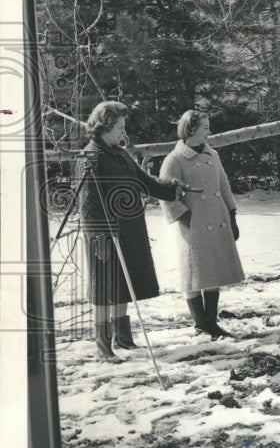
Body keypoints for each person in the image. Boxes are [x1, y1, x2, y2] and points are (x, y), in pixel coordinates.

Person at [79, 101, 190, 362]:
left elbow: (145, 182)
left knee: (122, 284)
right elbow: (88, 203)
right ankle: (103, 346)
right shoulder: (91, 155)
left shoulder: (119, 152)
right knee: (105, 289)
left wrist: (171, 186)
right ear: (104, 127)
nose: (122, 132)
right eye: (119, 127)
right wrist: (100, 235)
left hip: (128, 230)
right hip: (105, 235)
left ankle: (124, 338)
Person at [159, 110, 245, 338]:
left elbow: (223, 186)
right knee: (195, 274)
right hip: (193, 223)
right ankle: (201, 323)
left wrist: (232, 214)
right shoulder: (174, 159)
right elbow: (166, 194)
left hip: (216, 219)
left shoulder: (212, 155)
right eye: (205, 127)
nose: (209, 131)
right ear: (191, 129)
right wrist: (183, 216)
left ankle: (211, 322)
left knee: (213, 272)